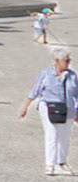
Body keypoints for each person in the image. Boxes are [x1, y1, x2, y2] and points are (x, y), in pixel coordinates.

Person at [18, 47, 78, 175]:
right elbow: (36, 90)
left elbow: (76, 95)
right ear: (57, 61)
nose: (68, 63)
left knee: (65, 137)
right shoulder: (46, 73)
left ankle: (62, 162)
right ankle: (50, 164)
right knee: (51, 134)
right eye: (65, 61)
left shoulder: (72, 75)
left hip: (68, 109)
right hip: (48, 107)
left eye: (69, 60)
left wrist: (76, 112)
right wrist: (25, 106)